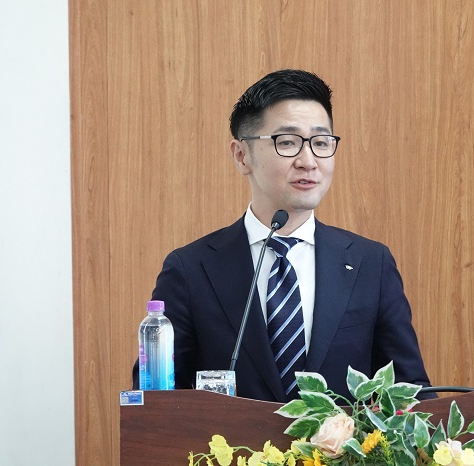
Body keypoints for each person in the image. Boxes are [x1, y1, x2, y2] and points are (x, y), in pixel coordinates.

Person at [134, 69, 434, 402]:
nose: (309, 161)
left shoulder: (370, 264)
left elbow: (411, 394)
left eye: (321, 143)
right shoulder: (191, 269)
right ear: (242, 156)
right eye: (287, 142)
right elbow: (156, 404)